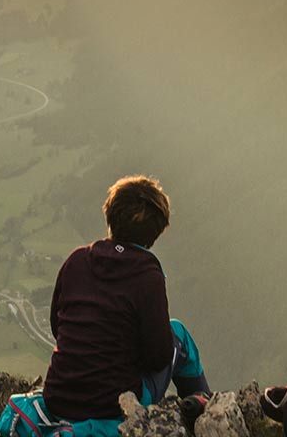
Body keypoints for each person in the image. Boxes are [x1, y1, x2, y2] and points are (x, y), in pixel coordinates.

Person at [42, 175, 211, 437]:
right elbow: (159, 357)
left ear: (110, 214)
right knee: (179, 336)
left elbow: (58, 327)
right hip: (113, 407)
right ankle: (203, 409)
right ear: (155, 232)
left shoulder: (76, 261)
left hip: (58, 399)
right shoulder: (147, 276)